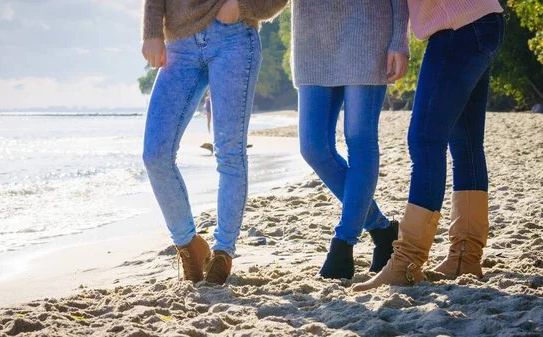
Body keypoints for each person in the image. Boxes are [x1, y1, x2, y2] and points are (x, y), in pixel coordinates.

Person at [354, 0, 505, 291]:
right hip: (483, 20)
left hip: (457, 27)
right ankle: (465, 257)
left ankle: (406, 263)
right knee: (467, 146)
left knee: (425, 141)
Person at [141, 0, 288, 285]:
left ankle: (223, 252)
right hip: (179, 42)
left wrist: (242, 5)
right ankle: (189, 244)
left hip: (233, 37)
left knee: (230, 152)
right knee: (155, 154)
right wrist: (151, 31)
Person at [291, 1, 410, 279]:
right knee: (313, 148)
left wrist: (399, 41)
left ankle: (343, 243)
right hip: (312, 39)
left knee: (359, 139)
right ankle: (382, 231)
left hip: (367, 30)